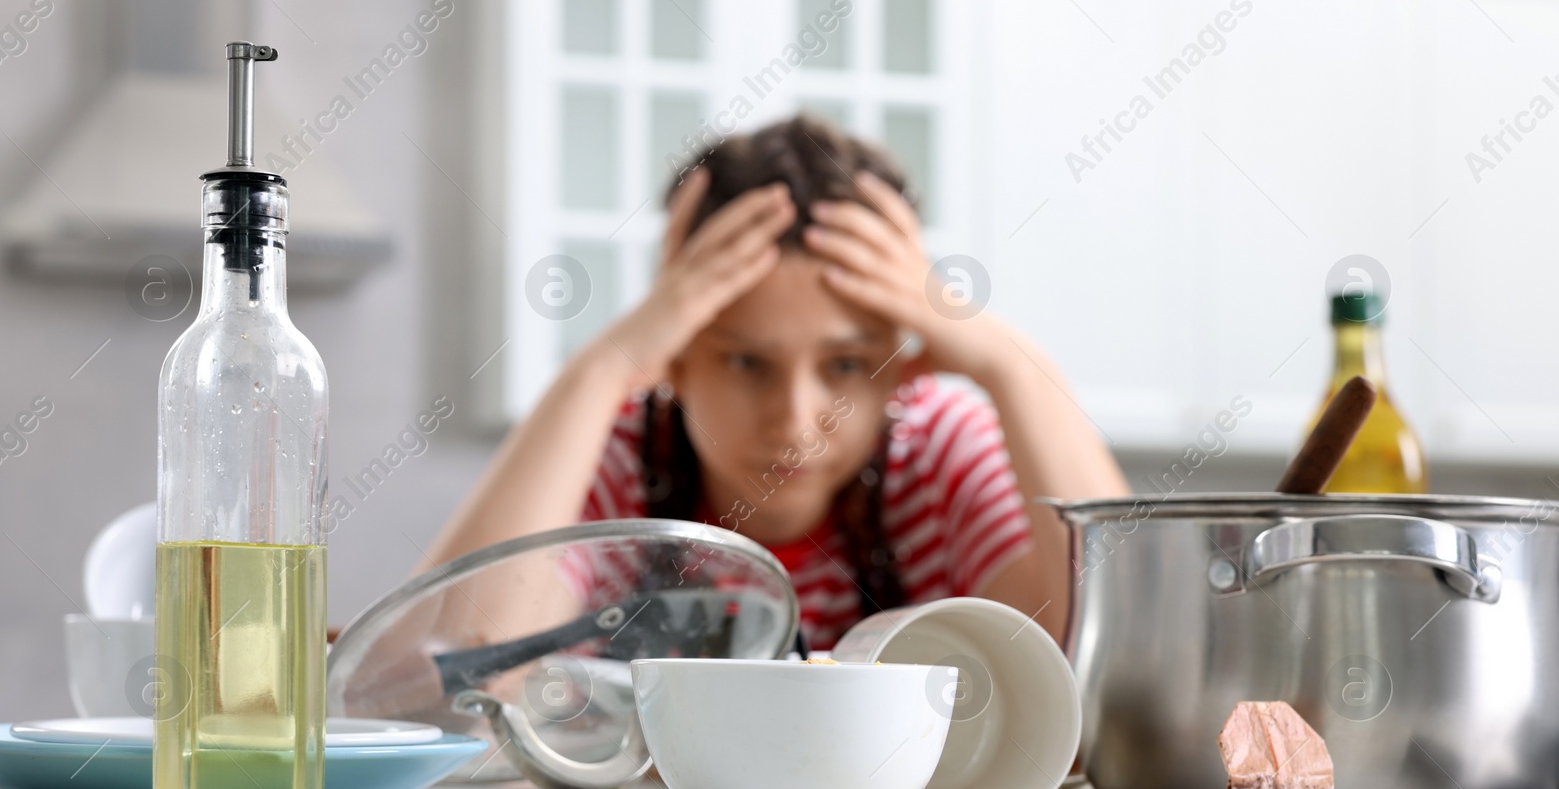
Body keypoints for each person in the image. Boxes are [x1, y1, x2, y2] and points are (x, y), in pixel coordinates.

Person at [424, 116, 1128, 649]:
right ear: (675, 357)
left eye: (847, 366)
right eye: (746, 362)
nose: (796, 421)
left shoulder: (936, 449)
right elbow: (459, 667)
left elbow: (1100, 665)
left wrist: (1011, 368)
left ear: (902, 367)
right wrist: (602, 368)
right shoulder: (621, 456)